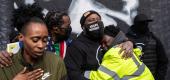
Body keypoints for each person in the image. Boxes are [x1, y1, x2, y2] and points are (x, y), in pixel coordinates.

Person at [64, 10, 133, 80]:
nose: (96, 22)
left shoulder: (105, 35)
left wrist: (129, 42)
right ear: (83, 27)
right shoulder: (76, 46)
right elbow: (72, 73)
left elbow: (121, 37)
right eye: (91, 20)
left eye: (98, 19)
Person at [0, 17, 67, 80]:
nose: (41, 45)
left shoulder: (56, 62)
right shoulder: (5, 64)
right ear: (21, 37)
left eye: (44, 40)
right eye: (35, 40)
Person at [83, 25, 154, 80]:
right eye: (101, 43)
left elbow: (100, 78)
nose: (103, 46)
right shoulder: (126, 49)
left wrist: (82, 73)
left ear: (116, 37)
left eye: (105, 41)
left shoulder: (116, 53)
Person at [126, 14, 168, 80]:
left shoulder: (153, 39)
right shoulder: (126, 40)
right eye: (142, 23)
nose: (145, 25)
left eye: (146, 23)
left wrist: (158, 78)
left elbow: (163, 61)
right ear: (136, 24)